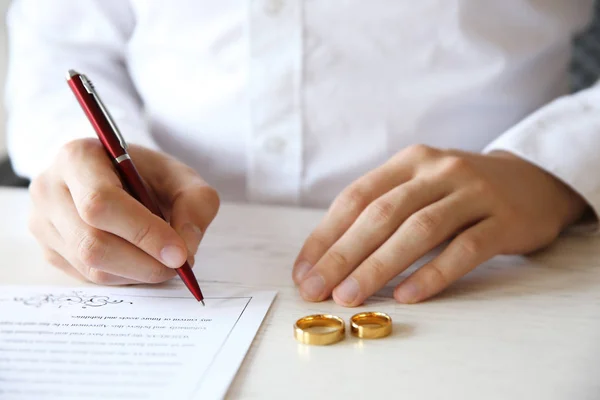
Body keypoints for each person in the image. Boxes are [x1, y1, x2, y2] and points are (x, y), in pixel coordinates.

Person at [4, 1, 599, 307]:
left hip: (503, 266)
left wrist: (557, 167)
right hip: (169, 259)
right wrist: (82, 163)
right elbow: (62, 45)